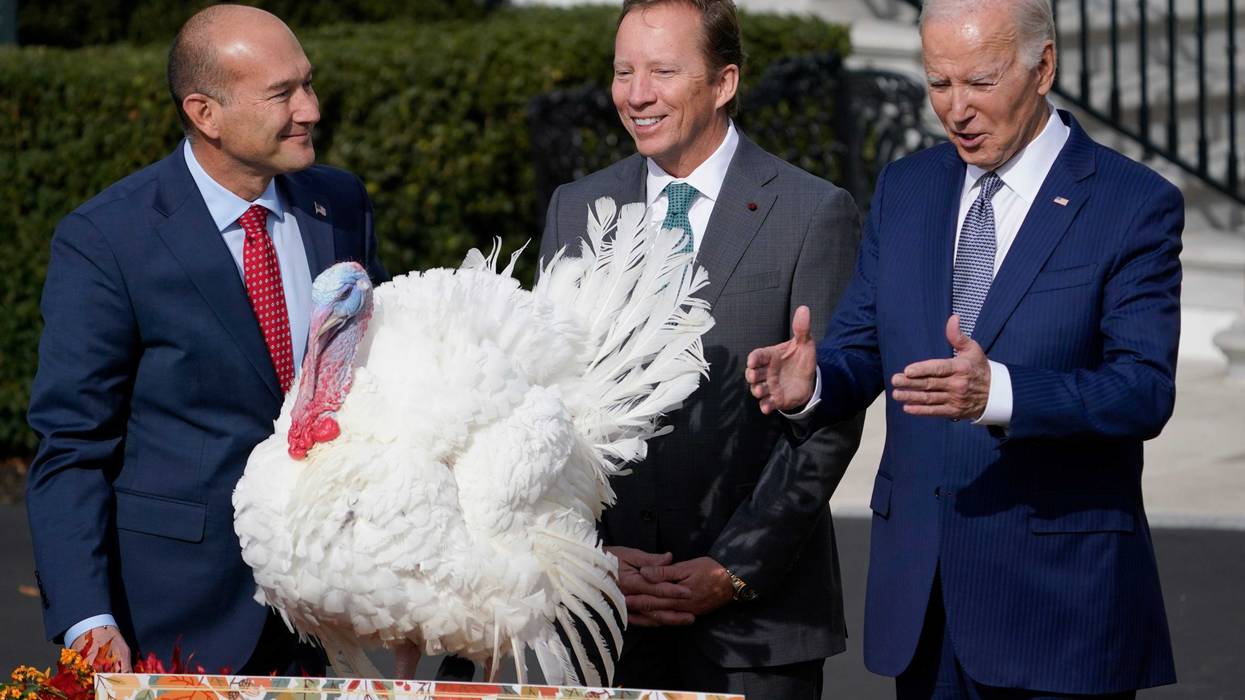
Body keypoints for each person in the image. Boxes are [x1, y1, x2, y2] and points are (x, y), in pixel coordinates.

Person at [745, 0, 1180, 697]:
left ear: (1043, 68)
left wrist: (997, 394)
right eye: (937, 83)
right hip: (922, 600)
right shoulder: (906, 188)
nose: (955, 109)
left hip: (1057, 607)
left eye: (978, 82)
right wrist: (815, 382)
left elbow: (1141, 391)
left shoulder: (1133, 204)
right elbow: (861, 347)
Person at [26, 4, 386, 674]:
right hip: (175, 624)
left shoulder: (340, 205)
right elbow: (71, 446)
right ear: (204, 113)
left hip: (328, 606)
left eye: (307, 84)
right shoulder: (108, 239)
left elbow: (378, 377)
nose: (309, 110)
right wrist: (88, 621)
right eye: (282, 94)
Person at [538, 0, 863, 696]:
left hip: (755, 626)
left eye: (661, 71)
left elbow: (828, 421)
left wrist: (733, 569)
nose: (635, 94)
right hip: (609, 617)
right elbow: (546, 409)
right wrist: (589, 562)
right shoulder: (575, 207)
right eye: (623, 71)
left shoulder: (812, 212)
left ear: (723, 83)